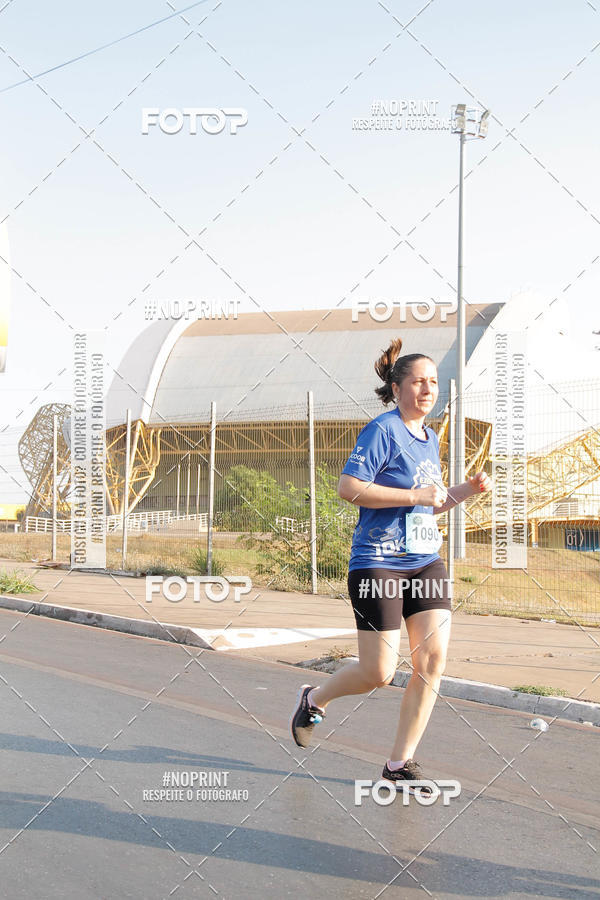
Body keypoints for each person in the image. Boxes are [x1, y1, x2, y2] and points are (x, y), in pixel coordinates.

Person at [290, 337, 492, 791]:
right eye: (418, 381)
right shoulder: (383, 430)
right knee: (378, 673)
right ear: (397, 388)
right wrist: (416, 495)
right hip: (378, 563)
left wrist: (463, 491)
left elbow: (427, 505)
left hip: (424, 562)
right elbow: (349, 487)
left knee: (432, 662)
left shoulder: (430, 438)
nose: (427, 389)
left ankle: (399, 763)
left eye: (434, 382)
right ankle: (314, 698)